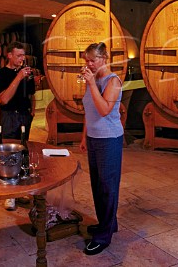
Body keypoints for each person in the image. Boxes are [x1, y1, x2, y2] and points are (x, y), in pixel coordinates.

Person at [79, 42, 123, 256]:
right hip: (94, 138)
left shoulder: (112, 81)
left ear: (104, 57)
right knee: (97, 185)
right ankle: (108, 224)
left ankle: (104, 237)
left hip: (109, 138)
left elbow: (104, 109)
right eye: (86, 60)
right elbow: (89, 111)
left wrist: (91, 84)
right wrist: (84, 137)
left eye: (92, 60)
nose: (89, 64)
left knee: (108, 187)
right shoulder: (93, 80)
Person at [0, 41, 36, 210]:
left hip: (24, 116)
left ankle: (20, 190)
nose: (22, 58)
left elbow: (32, 94)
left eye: (23, 55)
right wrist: (18, 77)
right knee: (8, 156)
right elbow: (4, 99)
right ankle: (10, 195)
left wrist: (32, 111)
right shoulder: (2, 74)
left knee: (23, 152)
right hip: (9, 116)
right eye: (18, 55)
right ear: (9, 55)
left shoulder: (27, 73)